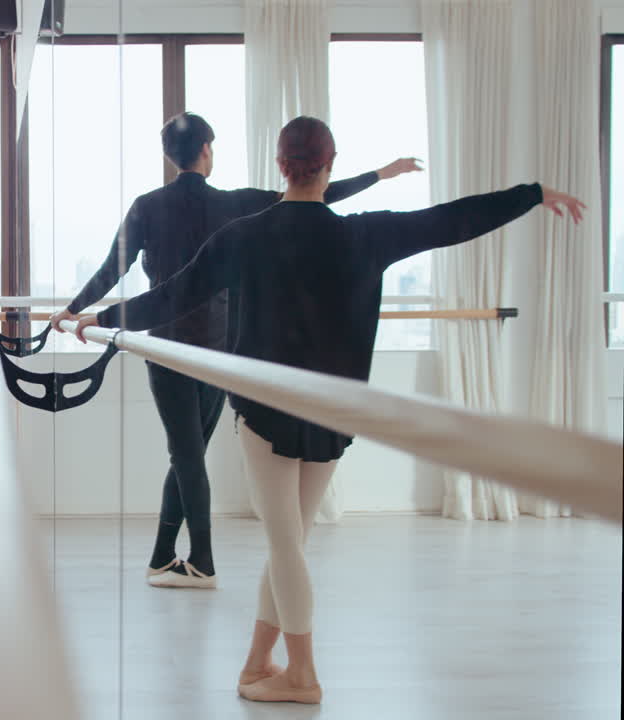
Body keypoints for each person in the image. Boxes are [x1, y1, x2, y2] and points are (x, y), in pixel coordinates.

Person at [74, 116, 584, 704]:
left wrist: (102, 321)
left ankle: (304, 675)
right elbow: (451, 220)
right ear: (330, 164)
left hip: (265, 413)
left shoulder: (244, 236)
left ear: (280, 165)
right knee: (290, 542)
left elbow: (171, 295)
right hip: (335, 416)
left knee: (286, 545)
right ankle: (259, 660)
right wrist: (534, 194)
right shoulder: (364, 236)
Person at [50, 112, 421, 589]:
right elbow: (318, 194)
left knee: (186, 456)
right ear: (207, 149)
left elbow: (110, 270)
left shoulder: (147, 206)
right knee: (187, 455)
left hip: (169, 347)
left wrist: (73, 311)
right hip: (219, 351)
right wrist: (381, 174)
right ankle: (163, 556)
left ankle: (201, 561)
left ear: (170, 155)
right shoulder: (236, 204)